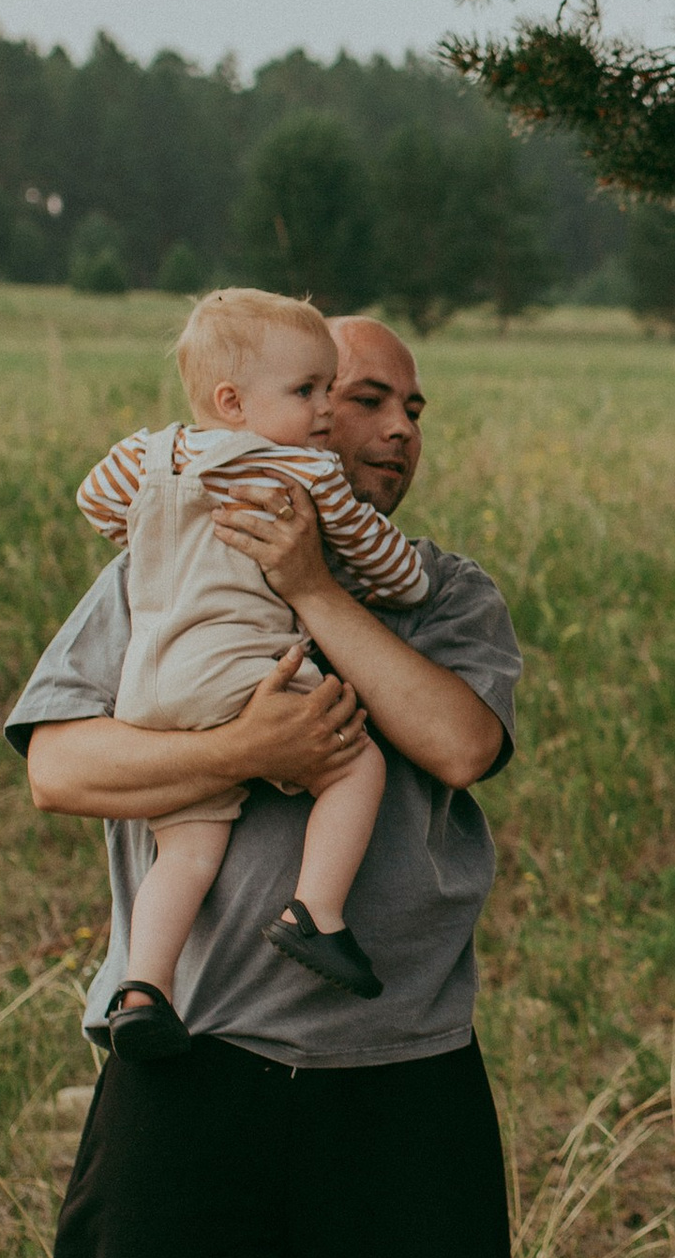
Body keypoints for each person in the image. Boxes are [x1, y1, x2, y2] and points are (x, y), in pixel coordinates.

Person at [6, 313, 522, 1258]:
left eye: (415, 408)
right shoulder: (161, 553)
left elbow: (458, 740)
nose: (396, 427)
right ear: (280, 412)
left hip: (401, 1064)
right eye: (364, 397)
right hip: (193, 1051)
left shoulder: (446, 598)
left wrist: (309, 583)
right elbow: (62, 766)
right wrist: (253, 756)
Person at [74, 286, 427, 1059]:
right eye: (310, 392)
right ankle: (316, 910)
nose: (323, 412)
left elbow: (95, 501)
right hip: (236, 673)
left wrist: (157, 535)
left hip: (151, 688)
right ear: (235, 401)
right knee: (354, 759)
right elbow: (392, 569)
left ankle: (143, 989)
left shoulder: (152, 451)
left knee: (189, 850)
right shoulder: (301, 468)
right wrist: (397, 579)